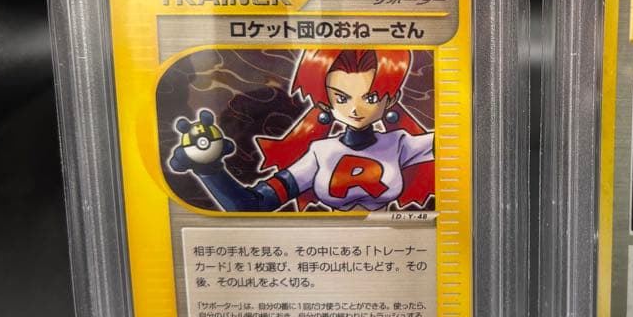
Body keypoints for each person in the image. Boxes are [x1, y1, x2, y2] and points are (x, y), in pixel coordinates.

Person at [169, 48, 434, 212]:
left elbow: (453, 142)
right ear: (325, 101)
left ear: (391, 98)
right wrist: (209, 169)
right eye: (341, 98)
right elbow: (253, 205)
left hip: (390, 250)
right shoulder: (321, 152)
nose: (355, 109)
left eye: (371, 97)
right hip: (327, 253)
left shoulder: (400, 143)